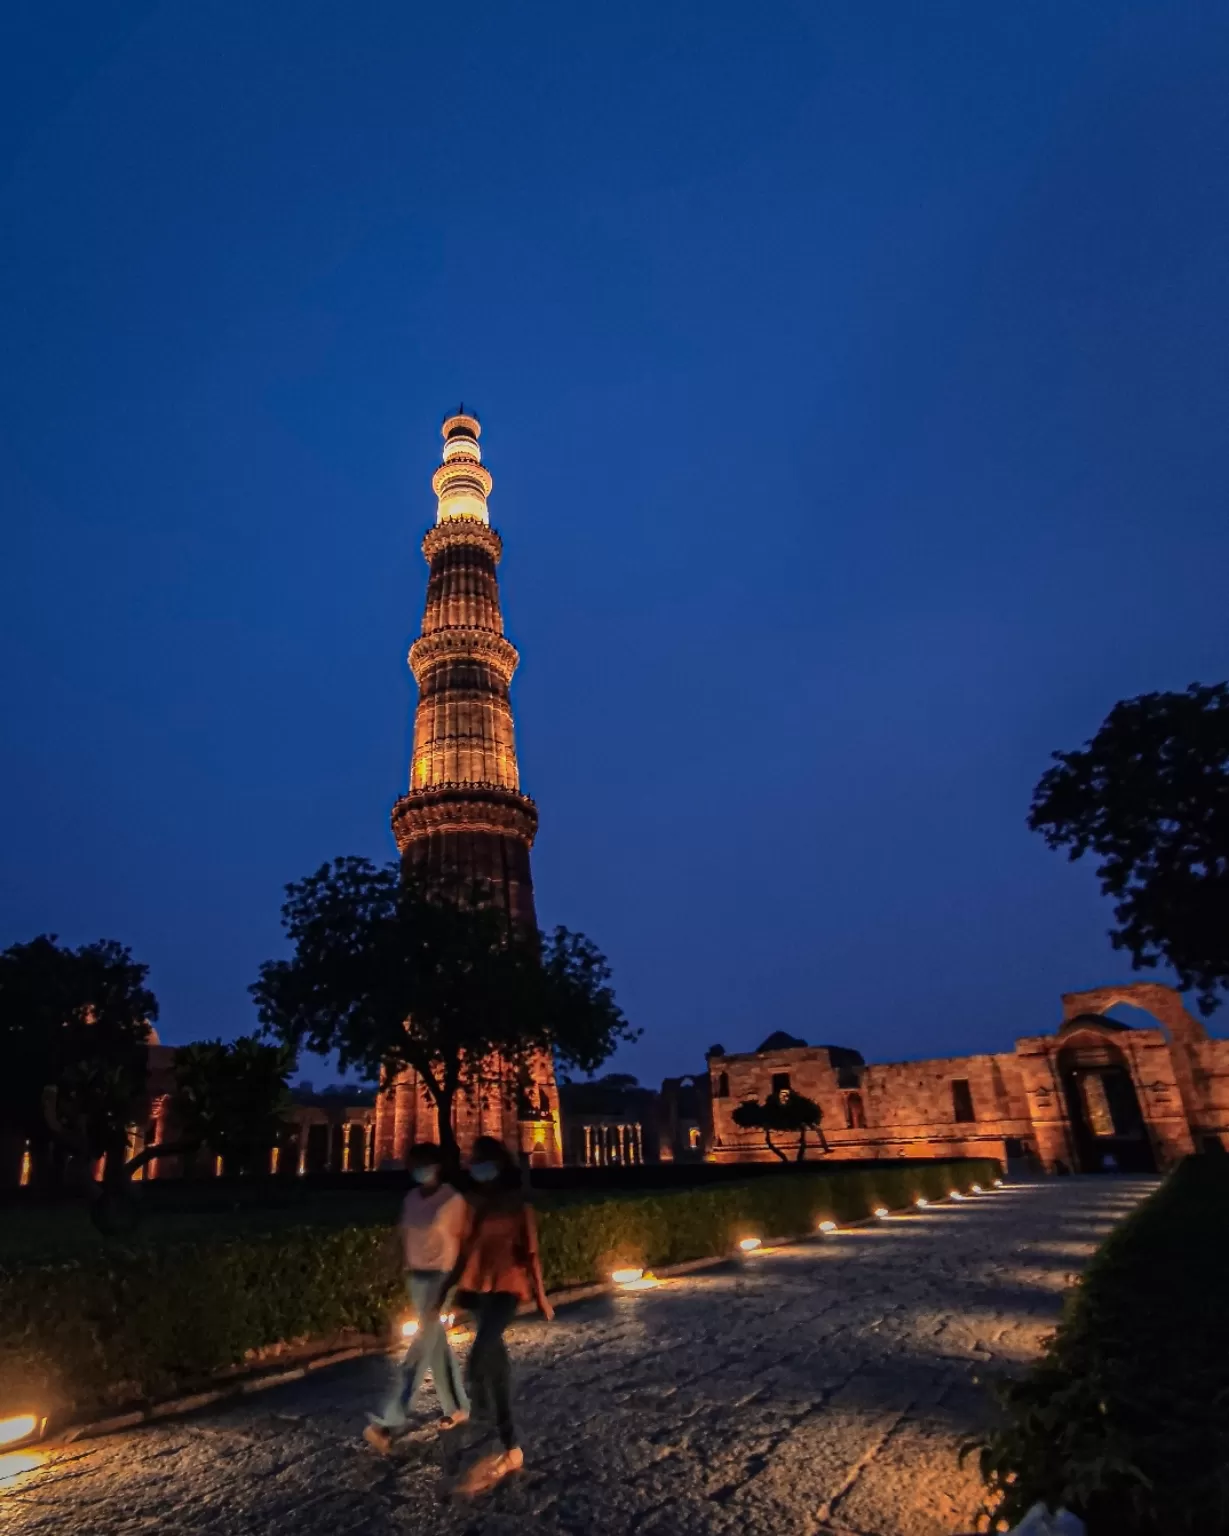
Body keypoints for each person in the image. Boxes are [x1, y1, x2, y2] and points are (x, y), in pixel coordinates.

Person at [441, 1135, 554, 1496]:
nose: (475, 1165)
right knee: (497, 1369)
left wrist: (541, 1296)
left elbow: (532, 1253)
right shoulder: (472, 1203)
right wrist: (449, 1294)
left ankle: (482, 1423)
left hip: (508, 1288)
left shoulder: (517, 1204)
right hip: (479, 1291)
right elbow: (462, 1251)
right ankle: (511, 1447)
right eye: (474, 1160)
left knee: (478, 1360)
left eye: (481, 1160)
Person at [364, 1141, 470, 1453]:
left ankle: (389, 1420)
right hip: (416, 1276)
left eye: (422, 1164)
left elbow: (465, 1245)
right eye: (413, 1165)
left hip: (441, 1277)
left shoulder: (452, 1200)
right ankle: (458, 1407)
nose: (416, 1170)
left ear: (436, 1166)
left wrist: (454, 1285)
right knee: (435, 1344)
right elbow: (403, 1236)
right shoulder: (411, 1197)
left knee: (420, 1347)